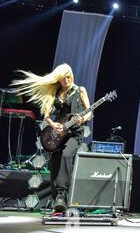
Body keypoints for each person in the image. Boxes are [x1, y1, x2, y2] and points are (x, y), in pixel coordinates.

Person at [11, 63, 91, 212]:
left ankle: (62, 194)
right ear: (58, 80)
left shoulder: (80, 90)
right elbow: (47, 116)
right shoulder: (54, 94)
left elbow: (90, 112)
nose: (66, 80)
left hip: (74, 133)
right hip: (57, 133)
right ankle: (56, 199)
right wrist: (54, 125)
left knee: (66, 155)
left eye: (68, 77)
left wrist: (83, 118)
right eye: (63, 78)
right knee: (55, 161)